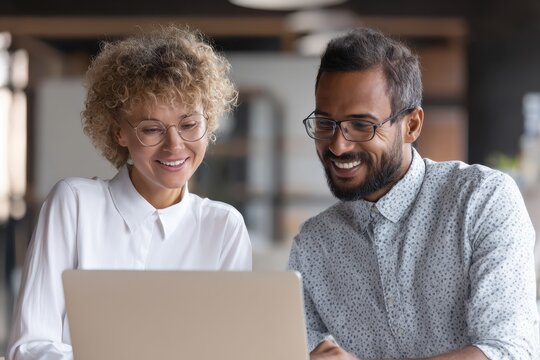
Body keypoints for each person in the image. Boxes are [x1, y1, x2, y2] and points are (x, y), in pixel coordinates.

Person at [288, 28, 539, 359]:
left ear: (411, 125)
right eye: (325, 123)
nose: (338, 144)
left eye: (362, 125)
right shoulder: (314, 244)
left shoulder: (482, 200)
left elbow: (508, 351)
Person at [8, 25, 251, 360]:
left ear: (209, 122)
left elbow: (230, 351)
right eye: (151, 128)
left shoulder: (224, 227)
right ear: (119, 132)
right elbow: (29, 347)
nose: (174, 145)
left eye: (189, 124)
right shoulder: (75, 205)